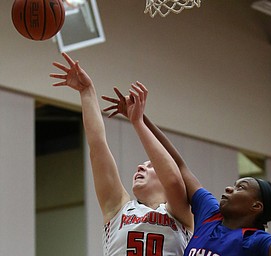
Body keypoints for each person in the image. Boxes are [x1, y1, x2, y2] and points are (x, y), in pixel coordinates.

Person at [103, 84, 271, 256]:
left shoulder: (253, 241)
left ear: (256, 206)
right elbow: (179, 165)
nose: (230, 189)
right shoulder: (209, 214)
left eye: (241, 188)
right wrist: (138, 118)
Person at [49, 52, 193, 256]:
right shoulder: (118, 208)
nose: (141, 167)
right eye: (143, 164)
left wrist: (138, 122)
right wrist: (86, 91)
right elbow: (97, 147)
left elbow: (174, 180)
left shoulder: (180, 214)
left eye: (151, 165)